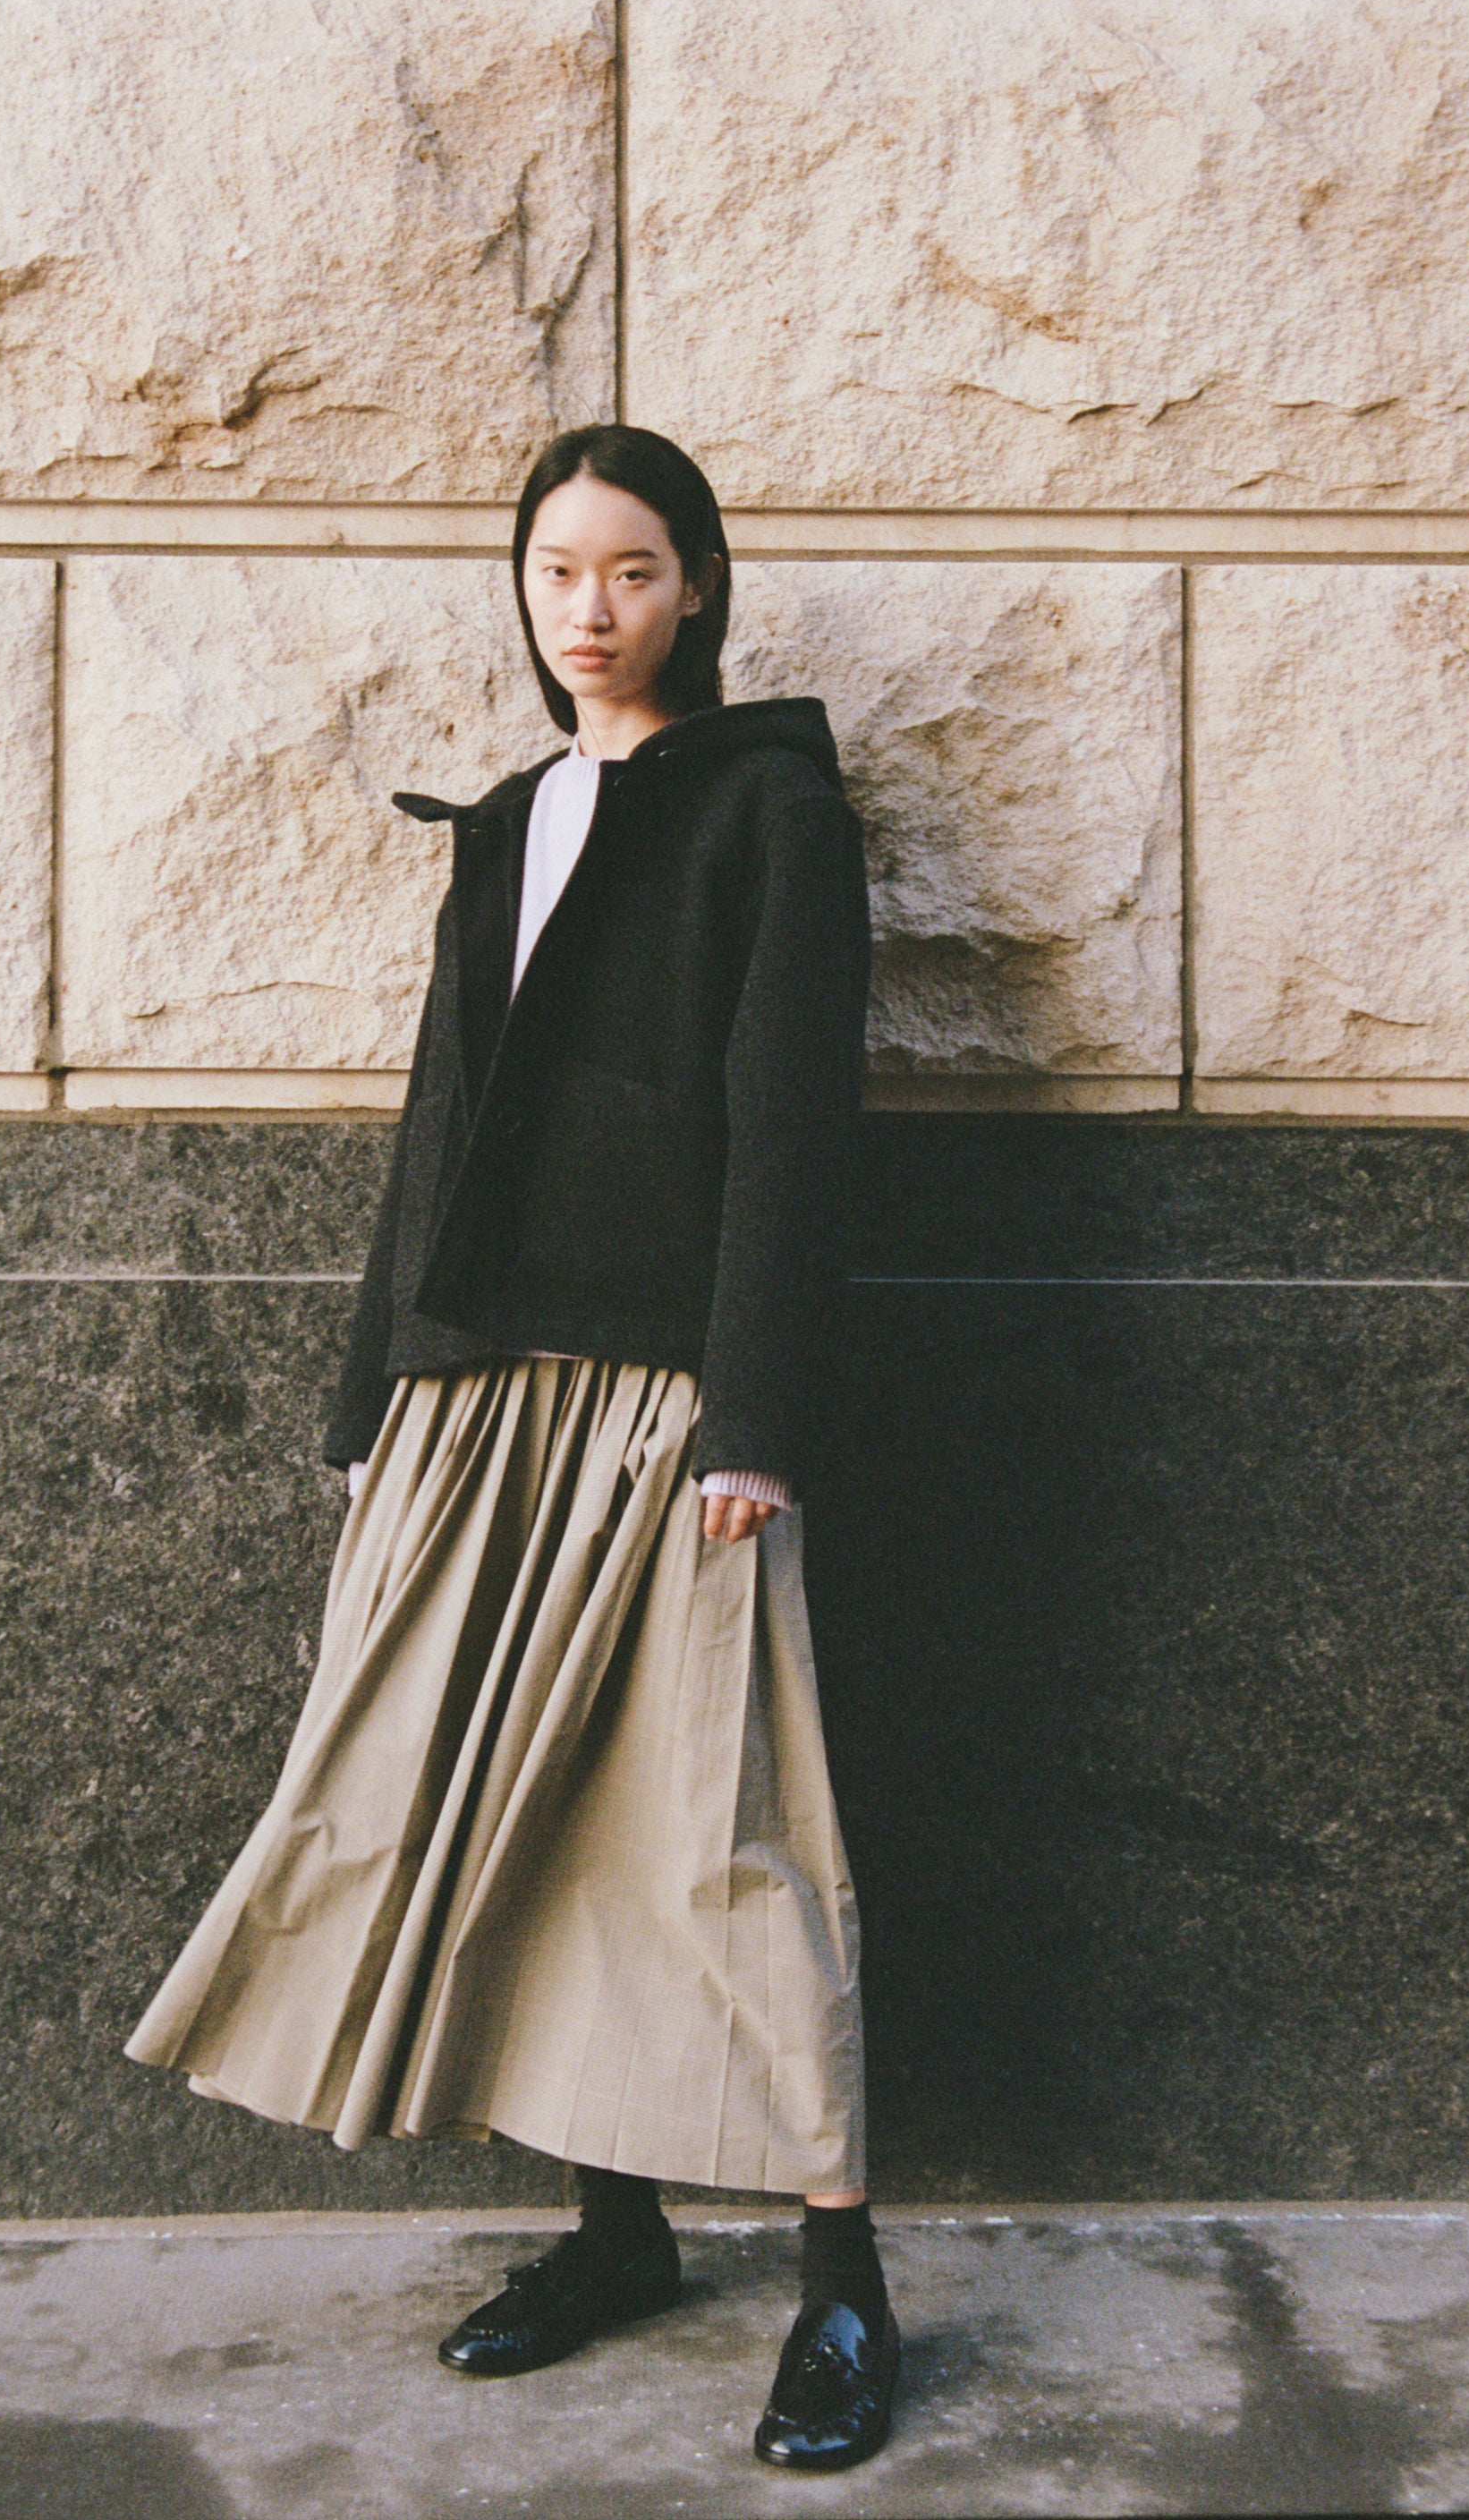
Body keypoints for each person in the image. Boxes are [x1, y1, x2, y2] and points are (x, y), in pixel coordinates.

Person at [125, 422, 896, 2474]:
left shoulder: (768, 810)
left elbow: (791, 1129)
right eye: (557, 569)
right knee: (511, 1815)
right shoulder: (507, 820)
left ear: (697, 584)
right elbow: (438, 1129)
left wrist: (753, 1418)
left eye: (630, 568)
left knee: (723, 1829)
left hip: (666, 1403)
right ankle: (615, 2231)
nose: (590, 606)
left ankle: (840, 2280)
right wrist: (368, 1399)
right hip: (476, 1394)